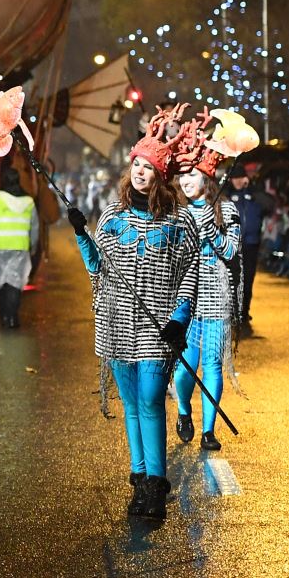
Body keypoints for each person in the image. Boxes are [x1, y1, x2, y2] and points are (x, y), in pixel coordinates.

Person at [66, 105, 198, 523]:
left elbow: (190, 275)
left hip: (159, 326)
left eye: (149, 167)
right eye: (136, 164)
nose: (140, 171)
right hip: (117, 324)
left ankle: (157, 485)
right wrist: (80, 233)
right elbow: (96, 269)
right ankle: (139, 479)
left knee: (150, 400)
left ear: (161, 175)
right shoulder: (112, 216)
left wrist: (179, 320)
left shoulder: (180, 222)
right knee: (130, 404)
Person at [171, 111, 242, 452]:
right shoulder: (176, 213)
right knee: (186, 367)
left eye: (192, 174)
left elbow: (231, 251)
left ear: (207, 176)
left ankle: (209, 430)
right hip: (185, 301)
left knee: (212, 364)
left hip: (216, 299)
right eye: (182, 175)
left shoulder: (227, 210)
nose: (185, 181)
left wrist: (212, 231)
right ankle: (184, 410)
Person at [0, 165, 40, 329]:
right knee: (15, 283)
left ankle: (4, 316)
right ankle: (12, 317)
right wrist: (32, 247)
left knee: (2, 282)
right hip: (20, 247)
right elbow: (34, 227)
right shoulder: (29, 202)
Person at [223, 167, 266, 324]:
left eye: (241, 178)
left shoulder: (253, 195)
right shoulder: (226, 195)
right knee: (232, 279)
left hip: (251, 244)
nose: (238, 181)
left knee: (248, 279)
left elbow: (269, 204)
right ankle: (232, 310)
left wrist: (251, 187)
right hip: (232, 245)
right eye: (235, 178)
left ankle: (244, 311)